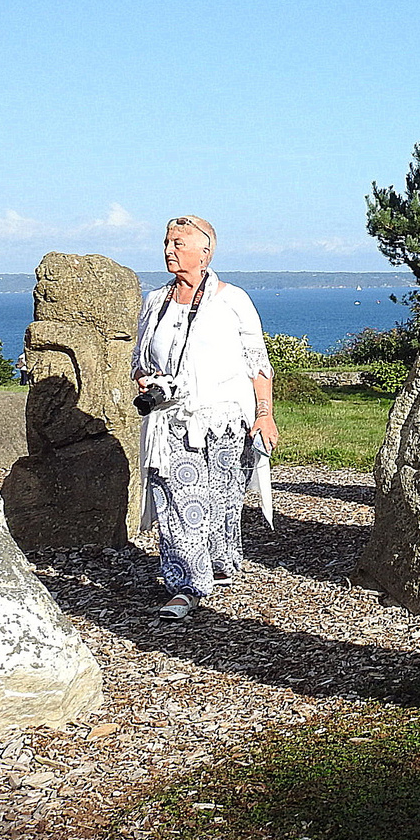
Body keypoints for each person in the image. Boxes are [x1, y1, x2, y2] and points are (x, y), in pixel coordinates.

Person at [132, 216, 278, 619]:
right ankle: (185, 585)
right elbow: (140, 362)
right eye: (166, 242)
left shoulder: (233, 300)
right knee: (179, 498)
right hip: (172, 421)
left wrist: (263, 414)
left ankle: (218, 562)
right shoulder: (153, 302)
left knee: (222, 495)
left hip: (225, 419)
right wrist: (149, 382)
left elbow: (257, 362)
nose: (168, 250)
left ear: (205, 251)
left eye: (178, 243)